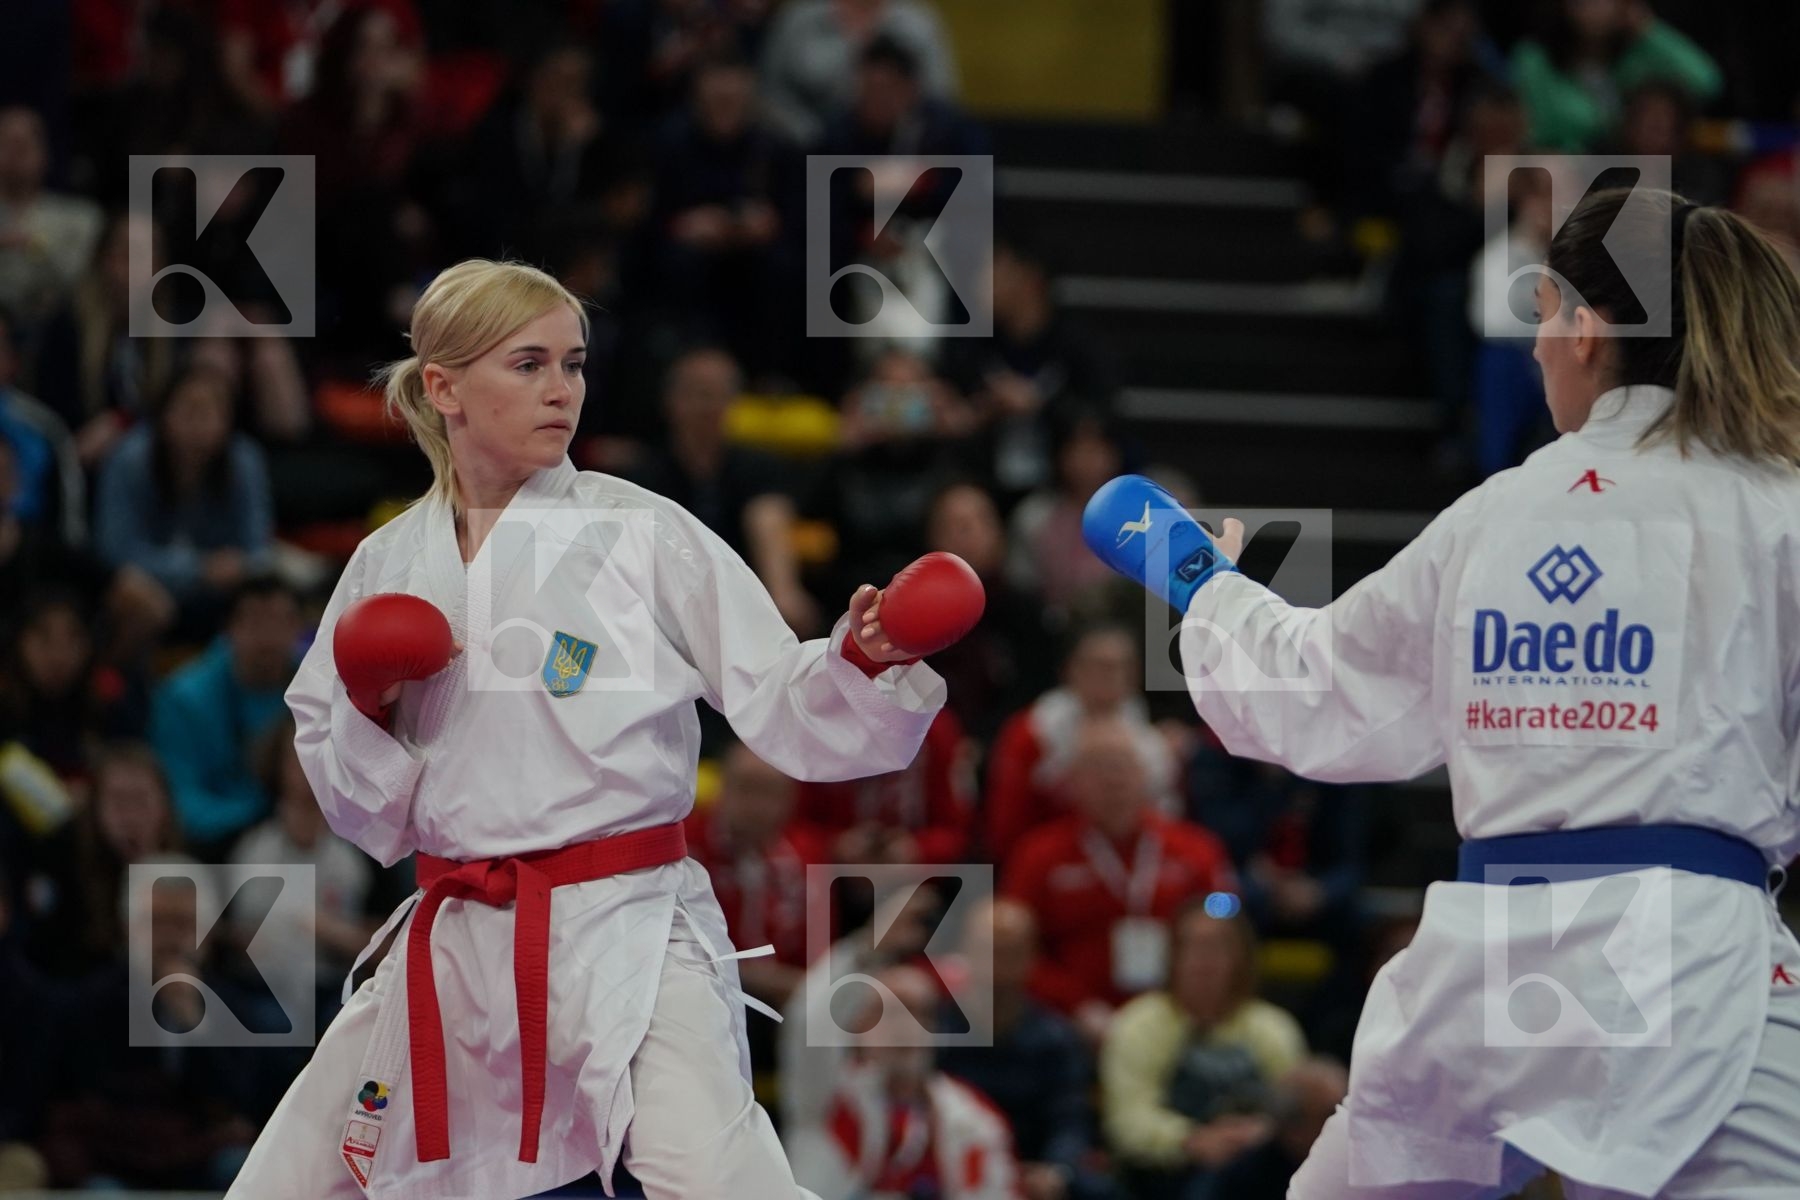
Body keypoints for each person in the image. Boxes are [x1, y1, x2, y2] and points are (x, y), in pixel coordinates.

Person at [1083, 188, 1800, 1197]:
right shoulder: (1777, 509)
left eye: (1542, 313)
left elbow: (1317, 689)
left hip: (1493, 973)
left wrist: (1197, 577)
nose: (1537, 347)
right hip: (1697, 970)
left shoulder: (1498, 515)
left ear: (1588, 330)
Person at [224, 259, 950, 1200]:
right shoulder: (387, 561)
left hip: (628, 927)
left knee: (720, 1179)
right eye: (528, 364)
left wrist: (863, 659)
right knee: (287, 1184)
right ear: (444, 387)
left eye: (573, 363)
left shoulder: (641, 533)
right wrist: (366, 705)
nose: (562, 388)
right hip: (459, 932)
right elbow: (363, 813)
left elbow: (780, 695)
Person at [1001, 715, 1236, 1037]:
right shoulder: (1039, 855)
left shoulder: (1195, 850)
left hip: (1181, 1013)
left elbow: (1226, 922)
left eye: (1123, 766)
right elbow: (1015, 948)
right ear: (1071, 780)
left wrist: (1217, 913)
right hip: (1068, 1023)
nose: (1113, 779)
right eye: (1098, 767)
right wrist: (1075, 1006)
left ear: (1146, 773)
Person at [785, 961, 1022, 1200]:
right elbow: (808, 1020)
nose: (906, 1026)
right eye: (890, 1012)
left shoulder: (974, 1119)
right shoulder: (827, 1096)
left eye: (921, 1013)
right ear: (859, 1025)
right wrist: (863, 951)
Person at [937, 897, 1118, 1200]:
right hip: (953, 1168)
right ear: (964, 952)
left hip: (1035, 1172)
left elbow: (1070, 1119)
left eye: (1010, 952)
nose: (997, 966)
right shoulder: (936, 1033)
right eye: (987, 950)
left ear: (1032, 958)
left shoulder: (1056, 1039)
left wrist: (1057, 1169)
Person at [92, 363, 275, 629]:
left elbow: (258, 548)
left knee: (271, 598)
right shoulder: (129, 459)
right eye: (189, 410)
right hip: (153, 588)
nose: (198, 424)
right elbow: (115, 549)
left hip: (224, 590)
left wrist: (237, 566)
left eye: (210, 412)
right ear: (164, 413)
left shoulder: (245, 461)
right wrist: (198, 568)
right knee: (129, 589)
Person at [985, 623, 1178, 864]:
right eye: (1100, 665)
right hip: (1047, 859)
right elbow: (1007, 820)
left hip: (1132, 862)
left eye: (1122, 666)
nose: (1111, 675)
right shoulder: (1033, 732)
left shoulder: (1151, 743)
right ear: (1071, 669)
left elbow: (1165, 821)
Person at [149, 576, 301, 857]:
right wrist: (261, 817)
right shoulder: (182, 699)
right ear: (229, 630)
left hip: (303, 836)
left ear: (297, 629)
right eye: (255, 622)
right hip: (214, 848)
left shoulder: (322, 693)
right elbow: (179, 804)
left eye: (280, 622)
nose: (268, 638)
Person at [1510, 0, 1720, 153]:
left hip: (1628, 170)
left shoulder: (1638, 56)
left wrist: (1647, 28)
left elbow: (1706, 83)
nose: (1593, 6)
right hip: (1566, 170)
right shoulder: (1534, 59)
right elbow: (1539, 129)